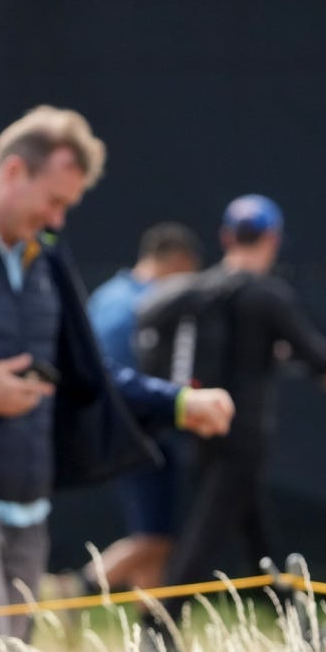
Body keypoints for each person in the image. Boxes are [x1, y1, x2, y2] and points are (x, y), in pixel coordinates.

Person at [0, 106, 235, 651]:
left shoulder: (46, 258)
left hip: (29, 513)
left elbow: (86, 373)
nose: (59, 219)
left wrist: (176, 403)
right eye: (55, 201)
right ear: (14, 171)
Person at [144, 194, 326, 647]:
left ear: (227, 236)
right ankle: (158, 624)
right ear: (273, 239)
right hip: (244, 436)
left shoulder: (207, 289)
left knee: (259, 540)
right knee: (205, 537)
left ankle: (300, 630)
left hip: (206, 427)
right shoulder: (266, 294)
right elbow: (314, 354)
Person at [71, 221, 203, 595]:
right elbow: (116, 379)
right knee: (154, 537)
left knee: (155, 534)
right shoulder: (139, 305)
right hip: (138, 437)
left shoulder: (110, 295)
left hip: (129, 435)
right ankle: (77, 588)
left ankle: (155, 631)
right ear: (179, 264)